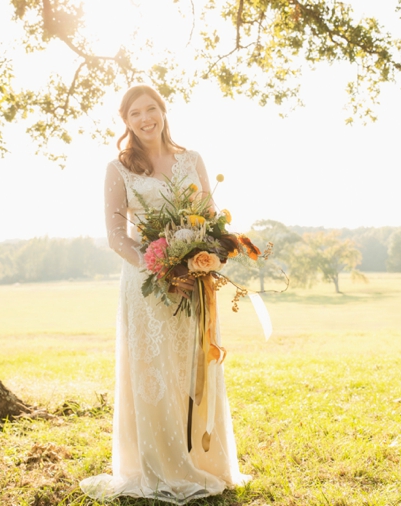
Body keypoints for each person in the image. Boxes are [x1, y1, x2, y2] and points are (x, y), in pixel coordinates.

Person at [80, 84, 250, 504]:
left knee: (194, 368)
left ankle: (206, 462)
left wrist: (204, 257)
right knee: (154, 373)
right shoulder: (117, 168)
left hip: (195, 282)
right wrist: (163, 269)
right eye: (135, 113)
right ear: (126, 121)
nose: (144, 118)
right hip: (148, 285)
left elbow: (209, 216)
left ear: (162, 111)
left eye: (150, 108)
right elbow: (117, 237)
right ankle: (162, 466)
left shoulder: (192, 159)